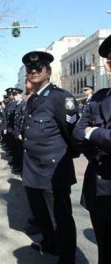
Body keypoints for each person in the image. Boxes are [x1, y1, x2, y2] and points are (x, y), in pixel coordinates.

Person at [21, 51, 79, 264]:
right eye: (30, 69)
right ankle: (51, 243)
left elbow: (73, 132)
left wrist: (66, 158)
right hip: (33, 168)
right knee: (42, 213)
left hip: (53, 170)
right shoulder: (33, 98)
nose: (33, 71)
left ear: (48, 71)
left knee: (61, 217)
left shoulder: (60, 97)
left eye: (39, 68)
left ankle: (67, 257)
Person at [73, 34, 111, 264]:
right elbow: (78, 134)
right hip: (99, 186)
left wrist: (93, 133)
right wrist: (98, 148)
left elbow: (86, 132)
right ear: (109, 64)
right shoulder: (98, 98)